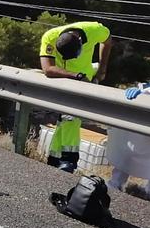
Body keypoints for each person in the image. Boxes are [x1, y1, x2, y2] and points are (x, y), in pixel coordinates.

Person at [39, 21, 113, 171]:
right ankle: (59, 158)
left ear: (80, 41)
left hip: (84, 80)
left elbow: (107, 40)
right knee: (66, 119)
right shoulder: (50, 37)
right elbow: (48, 69)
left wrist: (102, 68)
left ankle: (65, 159)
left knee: (69, 118)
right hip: (65, 79)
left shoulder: (93, 30)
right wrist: (76, 76)